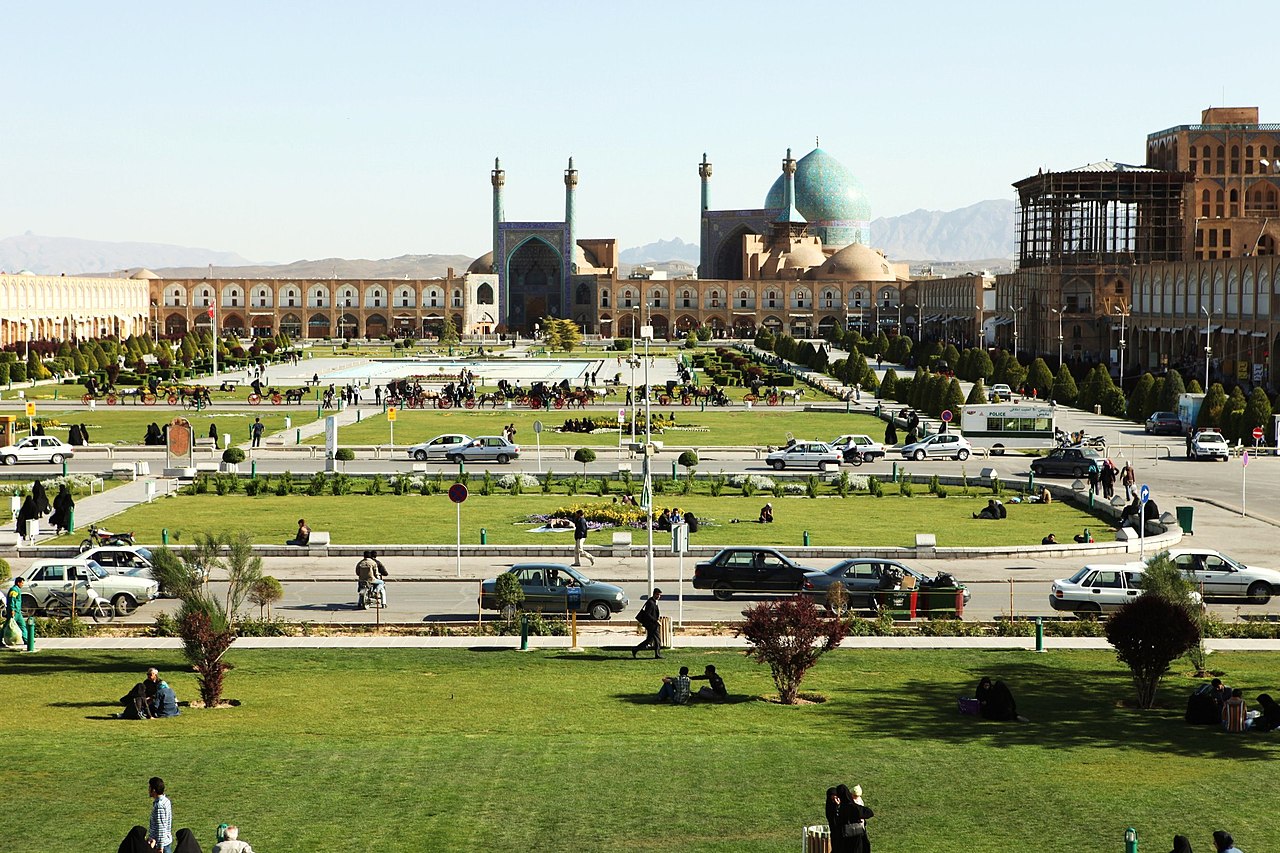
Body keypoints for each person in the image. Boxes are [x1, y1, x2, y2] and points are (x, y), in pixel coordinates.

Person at [4, 576, 34, 651]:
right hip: (13, 612)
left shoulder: (17, 590)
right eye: (22, 583)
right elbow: (12, 600)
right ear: (18, 583)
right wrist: (12, 610)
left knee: (22, 625)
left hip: (18, 612)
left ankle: (27, 640)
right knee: (7, 626)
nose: (22, 585)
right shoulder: (14, 590)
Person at [633, 588, 663, 659]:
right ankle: (657, 654)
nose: (659, 596)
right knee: (657, 640)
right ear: (655, 594)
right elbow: (648, 614)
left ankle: (635, 649)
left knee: (649, 640)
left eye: (660, 595)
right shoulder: (650, 602)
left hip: (653, 624)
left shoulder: (654, 601)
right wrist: (656, 620)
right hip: (651, 625)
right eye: (658, 595)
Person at [148, 776, 173, 853]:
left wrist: (160, 847)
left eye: (149, 788)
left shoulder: (159, 805)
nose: (148, 790)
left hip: (161, 845)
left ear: (154, 790)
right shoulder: (166, 801)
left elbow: (161, 827)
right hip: (166, 841)